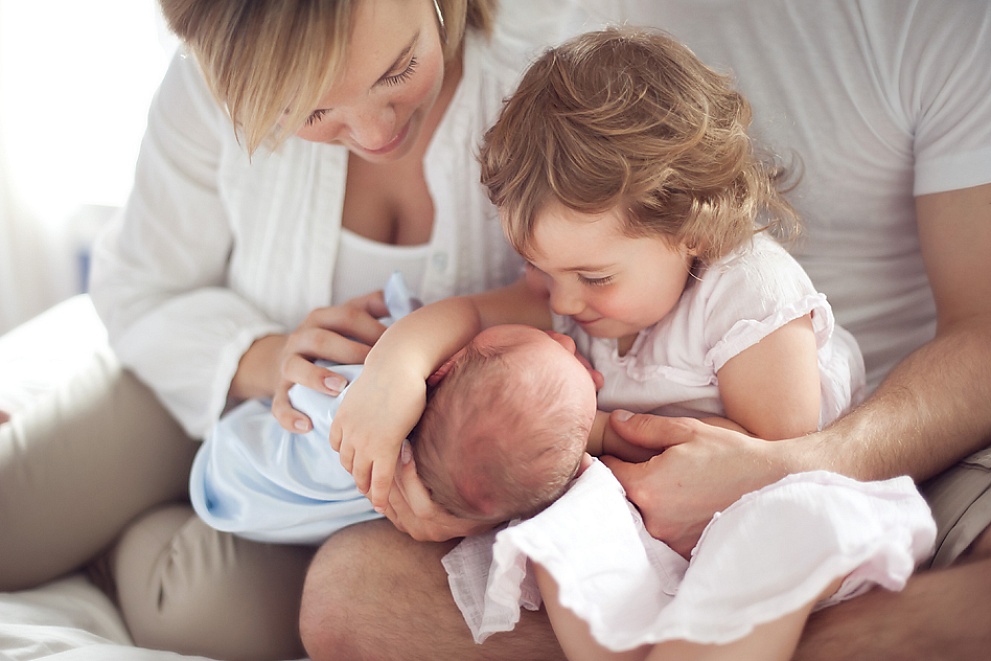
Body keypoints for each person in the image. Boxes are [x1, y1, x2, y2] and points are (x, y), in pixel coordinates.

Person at [301, 1, 991, 660]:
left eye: (593, 277)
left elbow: (768, 459)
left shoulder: (747, 298)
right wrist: (397, 361)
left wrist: (591, 437)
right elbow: (481, 313)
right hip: (663, 525)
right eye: (541, 267)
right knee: (550, 538)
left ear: (688, 228)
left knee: (768, 539)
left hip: (766, 506)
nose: (560, 300)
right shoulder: (582, 290)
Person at [0, 1, 606, 659]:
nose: (375, 134)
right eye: (311, 114)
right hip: (212, 374)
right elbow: (140, 286)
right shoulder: (207, 87)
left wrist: (420, 392)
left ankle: (125, 541)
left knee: (203, 613)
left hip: (351, 490)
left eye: (399, 69)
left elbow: (594, 297)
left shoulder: (554, 64)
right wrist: (274, 358)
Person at [189, 273, 598, 543]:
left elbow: (455, 318)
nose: (567, 341)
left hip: (226, 480)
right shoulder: (390, 419)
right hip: (248, 506)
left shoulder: (375, 412)